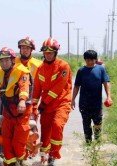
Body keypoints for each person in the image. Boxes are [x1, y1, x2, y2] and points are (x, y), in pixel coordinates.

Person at [32, 37, 72, 166]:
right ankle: (44, 156)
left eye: (51, 52)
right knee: (45, 130)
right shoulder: (40, 69)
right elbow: (37, 90)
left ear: (56, 52)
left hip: (62, 102)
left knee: (57, 125)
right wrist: (33, 106)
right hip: (46, 105)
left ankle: (54, 155)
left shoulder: (63, 66)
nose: (48, 55)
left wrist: (43, 103)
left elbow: (58, 87)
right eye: (46, 52)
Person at [0, 47, 32, 166]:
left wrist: (22, 101)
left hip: (21, 112)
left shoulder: (22, 72)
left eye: (7, 60)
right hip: (8, 112)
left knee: (18, 144)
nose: (4, 63)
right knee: (7, 142)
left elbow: (24, 87)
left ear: (13, 60)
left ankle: (22, 160)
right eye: (2, 61)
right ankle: (9, 163)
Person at [71, 50, 112, 144]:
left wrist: (109, 97)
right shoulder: (81, 71)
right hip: (84, 104)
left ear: (96, 60)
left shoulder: (100, 69)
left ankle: (97, 142)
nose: (90, 62)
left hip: (97, 104)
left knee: (98, 124)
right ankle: (88, 144)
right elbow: (76, 86)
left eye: (92, 60)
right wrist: (73, 100)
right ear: (85, 60)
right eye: (88, 60)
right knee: (86, 125)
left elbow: (106, 83)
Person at [16, 36, 42, 120]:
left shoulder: (39, 64)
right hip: (15, 96)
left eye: (27, 48)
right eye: (23, 48)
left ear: (31, 50)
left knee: (32, 120)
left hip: (33, 97)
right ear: (20, 49)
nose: (25, 50)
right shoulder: (13, 62)